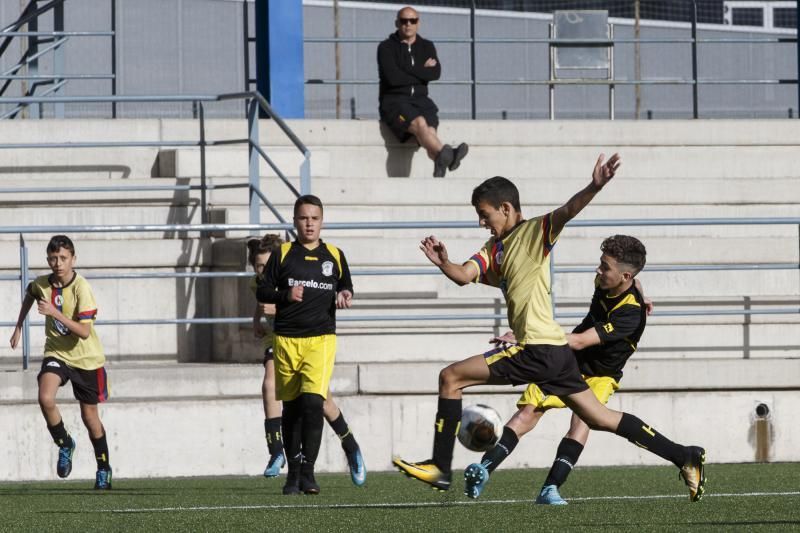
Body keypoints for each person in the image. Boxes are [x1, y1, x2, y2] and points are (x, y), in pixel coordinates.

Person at [393, 154, 707, 503]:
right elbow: (464, 276)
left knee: (451, 377)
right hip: (556, 355)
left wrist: (595, 185)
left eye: (486, 214)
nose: (482, 222)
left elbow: (567, 210)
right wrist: (444, 262)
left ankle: (440, 466)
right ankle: (684, 455)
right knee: (601, 418)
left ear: (507, 208)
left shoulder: (532, 232)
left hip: (538, 349)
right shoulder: (493, 248)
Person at [463, 235, 652, 504]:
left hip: (601, 373)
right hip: (568, 361)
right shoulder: (607, 282)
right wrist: (645, 296)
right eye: (600, 263)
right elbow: (636, 283)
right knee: (528, 412)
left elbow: (579, 339)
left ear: (623, 276)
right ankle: (483, 470)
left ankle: (550, 488)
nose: (598, 271)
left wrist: (528, 337)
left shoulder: (630, 315)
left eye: (605, 267)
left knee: (581, 423)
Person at [256, 195, 361, 495]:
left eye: (314, 218)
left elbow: (346, 286)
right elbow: (263, 290)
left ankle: (309, 473)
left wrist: (345, 295)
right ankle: (293, 476)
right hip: (287, 338)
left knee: (313, 402)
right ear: (295, 221)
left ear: (322, 221)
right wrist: (286, 296)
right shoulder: (284, 254)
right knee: (290, 408)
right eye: (303, 218)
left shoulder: (335, 255)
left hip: (321, 339)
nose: (309, 223)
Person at [9, 235, 113, 490]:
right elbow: (31, 293)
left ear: (73, 259)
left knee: (90, 418)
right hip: (57, 353)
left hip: (86, 360)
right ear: (48, 259)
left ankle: (103, 467)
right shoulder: (43, 284)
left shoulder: (82, 288)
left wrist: (55, 313)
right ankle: (65, 443)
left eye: (63, 258)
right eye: (53, 258)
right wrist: (19, 325)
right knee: (45, 397)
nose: (58, 263)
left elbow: (84, 332)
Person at [377, 5, 469, 178]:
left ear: (418, 23)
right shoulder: (386, 48)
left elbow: (435, 73)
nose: (408, 24)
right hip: (395, 103)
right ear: (397, 23)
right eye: (404, 21)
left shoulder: (427, 46)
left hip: (422, 101)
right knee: (419, 123)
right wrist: (421, 70)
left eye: (413, 20)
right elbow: (393, 78)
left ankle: (440, 164)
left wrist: (406, 69)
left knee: (430, 133)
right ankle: (449, 154)